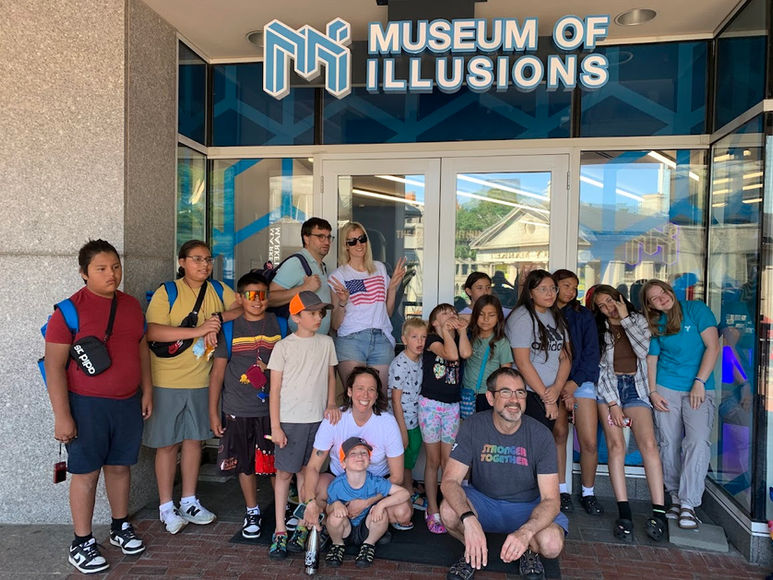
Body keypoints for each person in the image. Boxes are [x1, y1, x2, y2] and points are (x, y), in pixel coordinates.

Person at [45, 239, 152, 574]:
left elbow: (141, 349)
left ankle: (120, 526)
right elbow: (54, 367)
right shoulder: (68, 311)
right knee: (86, 473)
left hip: (127, 403)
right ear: (84, 273)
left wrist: (147, 391)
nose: (112, 274)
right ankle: (82, 542)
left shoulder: (131, 306)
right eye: (102, 268)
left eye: (115, 267)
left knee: (120, 467)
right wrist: (62, 415)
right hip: (86, 405)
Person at [143, 240, 236, 534]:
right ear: (181, 262)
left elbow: (241, 307)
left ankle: (189, 500)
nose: (204, 265)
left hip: (201, 380)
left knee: (195, 441)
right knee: (168, 444)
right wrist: (198, 330)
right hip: (166, 380)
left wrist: (218, 318)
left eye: (208, 259)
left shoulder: (218, 290)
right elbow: (152, 331)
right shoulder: (167, 292)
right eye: (196, 259)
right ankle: (165, 506)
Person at [440, 367, 567, 580]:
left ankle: (528, 550)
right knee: (448, 511)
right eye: (506, 392)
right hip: (483, 502)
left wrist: (526, 532)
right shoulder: (473, 426)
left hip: (527, 507)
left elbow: (552, 500)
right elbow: (449, 481)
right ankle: (473, 549)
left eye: (520, 392)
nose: (514, 400)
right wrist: (468, 519)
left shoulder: (541, 435)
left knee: (552, 544)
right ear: (490, 398)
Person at [208, 271, 282, 539]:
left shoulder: (280, 325)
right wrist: (213, 412)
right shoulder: (229, 328)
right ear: (240, 298)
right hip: (237, 408)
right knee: (244, 463)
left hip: (274, 410)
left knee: (277, 463)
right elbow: (217, 374)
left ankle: (283, 510)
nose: (257, 300)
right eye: (250, 295)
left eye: (262, 295)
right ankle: (252, 510)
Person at [267, 290, 341, 558]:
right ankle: (279, 530)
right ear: (296, 317)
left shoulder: (326, 343)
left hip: (318, 421)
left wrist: (331, 403)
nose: (318, 317)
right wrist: (276, 426)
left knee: (306, 473)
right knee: (284, 474)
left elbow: (331, 376)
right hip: (290, 420)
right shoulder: (283, 347)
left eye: (320, 312)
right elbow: (274, 389)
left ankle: (302, 524)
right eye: (312, 313)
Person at [642, 279, 719, 530]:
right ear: (650, 305)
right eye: (655, 298)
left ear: (670, 291)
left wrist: (699, 381)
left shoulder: (696, 309)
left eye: (663, 292)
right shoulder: (657, 323)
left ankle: (689, 503)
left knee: (697, 441)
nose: (662, 298)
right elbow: (652, 360)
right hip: (666, 386)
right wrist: (653, 392)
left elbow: (713, 347)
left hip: (699, 387)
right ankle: (675, 497)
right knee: (668, 442)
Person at [592, 285, 667, 542]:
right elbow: (601, 370)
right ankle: (624, 512)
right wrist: (613, 403)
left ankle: (659, 512)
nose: (608, 308)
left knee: (649, 445)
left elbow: (644, 352)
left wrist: (625, 319)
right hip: (609, 390)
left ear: (619, 298)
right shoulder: (599, 329)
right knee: (616, 447)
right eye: (602, 305)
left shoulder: (638, 321)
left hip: (636, 387)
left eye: (610, 301)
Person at [301, 367, 413, 533]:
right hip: (340, 481)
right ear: (349, 391)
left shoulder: (387, 423)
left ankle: (366, 521)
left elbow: (397, 477)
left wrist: (366, 502)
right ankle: (333, 522)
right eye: (360, 388)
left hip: (376, 484)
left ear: (377, 395)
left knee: (403, 512)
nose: (365, 395)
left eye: (371, 389)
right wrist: (310, 502)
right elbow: (313, 467)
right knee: (309, 489)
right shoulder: (335, 418)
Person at [506, 269, 572, 514]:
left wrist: (556, 389)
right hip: (528, 393)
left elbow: (565, 357)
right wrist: (547, 396)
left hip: (549, 393)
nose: (550, 293)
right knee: (529, 447)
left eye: (553, 288)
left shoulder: (555, 316)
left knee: (543, 445)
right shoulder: (522, 318)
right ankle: (524, 500)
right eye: (543, 289)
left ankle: (541, 499)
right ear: (531, 292)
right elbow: (522, 363)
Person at [328, 221, 406, 391]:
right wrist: (343, 302)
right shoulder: (338, 276)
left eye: (362, 239)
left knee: (380, 398)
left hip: (381, 338)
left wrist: (392, 287)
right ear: (345, 246)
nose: (359, 244)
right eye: (352, 241)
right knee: (356, 397)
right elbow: (335, 324)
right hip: (351, 339)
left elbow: (387, 312)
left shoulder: (379, 268)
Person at [553, 269, 602, 515]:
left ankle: (588, 492)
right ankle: (561, 491)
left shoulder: (583, 315)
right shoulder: (545, 314)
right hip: (553, 383)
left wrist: (574, 383)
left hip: (580, 382)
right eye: (566, 286)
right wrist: (561, 386)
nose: (571, 291)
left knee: (589, 441)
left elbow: (592, 353)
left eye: (575, 287)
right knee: (559, 434)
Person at [420, 304, 472, 534]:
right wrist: (444, 331)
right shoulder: (432, 339)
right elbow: (450, 354)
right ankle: (432, 507)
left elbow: (464, 353)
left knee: (448, 462)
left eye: (452, 313)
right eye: (444, 314)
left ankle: (449, 506)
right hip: (430, 405)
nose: (450, 315)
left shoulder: (459, 338)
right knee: (432, 461)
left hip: (452, 406)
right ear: (434, 323)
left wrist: (461, 331)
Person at [324, 437, 411, 569]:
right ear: (343, 463)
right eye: (353, 453)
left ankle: (369, 544)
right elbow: (328, 509)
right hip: (346, 529)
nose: (359, 456)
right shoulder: (337, 485)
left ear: (369, 461)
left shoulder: (375, 481)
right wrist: (335, 505)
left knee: (380, 513)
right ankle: (337, 545)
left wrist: (381, 505)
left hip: (367, 528)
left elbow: (404, 493)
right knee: (334, 517)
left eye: (364, 453)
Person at [268, 217, 334, 335]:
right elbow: (269, 298)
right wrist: (304, 288)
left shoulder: (321, 266)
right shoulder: (296, 263)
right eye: (321, 237)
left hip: (317, 340)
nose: (327, 242)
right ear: (306, 238)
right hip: (298, 340)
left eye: (329, 237)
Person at [388, 318, 428, 510]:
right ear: (404, 340)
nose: (420, 341)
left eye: (423, 337)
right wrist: (402, 430)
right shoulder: (400, 364)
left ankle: (409, 486)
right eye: (414, 337)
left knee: (411, 457)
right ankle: (408, 494)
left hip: (415, 419)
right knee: (403, 459)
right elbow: (395, 400)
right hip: (403, 422)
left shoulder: (420, 360)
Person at [461, 295, 513, 418]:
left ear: (498, 317)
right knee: (468, 426)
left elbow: (506, 371)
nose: (485, 319)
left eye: (491, 315)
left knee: (485, 426)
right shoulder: (469, 337)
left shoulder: (501, 342)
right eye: (481, 314)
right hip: (466, 392)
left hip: (488, 394)